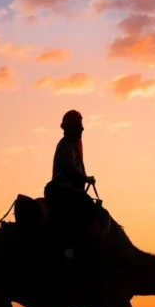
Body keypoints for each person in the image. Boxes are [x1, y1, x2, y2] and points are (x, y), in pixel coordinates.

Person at [44, 110, 97, 259]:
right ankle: (70, 248)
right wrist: (86, 179)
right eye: (78, 126)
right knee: (86, 209)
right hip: (62, 191)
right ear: (70, 128)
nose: (82, 129)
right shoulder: (67, 145)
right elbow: (70, 167)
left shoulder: (70, 145)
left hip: (64, 190)